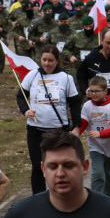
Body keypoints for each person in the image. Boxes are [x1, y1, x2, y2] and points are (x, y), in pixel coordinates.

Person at [18, 45, 80, 195]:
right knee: (37, 167)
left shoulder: (66, 78)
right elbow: (20, 96)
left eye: (50, 60)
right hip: (35, 130)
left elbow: (75, 103)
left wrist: (76, 126)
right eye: (44, 60)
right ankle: (38, 199)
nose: (47, 63)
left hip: (58, 131)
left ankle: (59, 194)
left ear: (57, 60)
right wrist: (25, 110)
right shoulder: (33, 75)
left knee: (58, 166)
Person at [79, 75, 110, 198]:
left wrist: (100, 134)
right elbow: (83, 123)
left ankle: (107, 200)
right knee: (98, 174)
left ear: (105, 91)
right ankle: (95, 200)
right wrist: (74, 135)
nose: (94, 94)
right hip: (96, 147)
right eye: (91, 91)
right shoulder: (87, 106)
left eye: (97, 91)